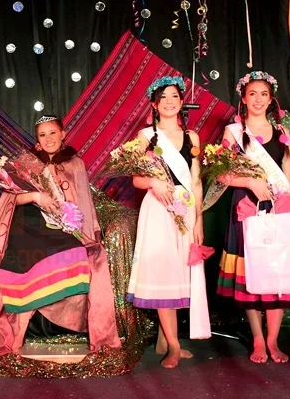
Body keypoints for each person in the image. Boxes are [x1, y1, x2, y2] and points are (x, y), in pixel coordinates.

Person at [0, 115, 121, 376]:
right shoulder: (25, 163)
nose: (49, 138)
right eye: (43, 135)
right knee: (22, 259)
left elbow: (84, 201)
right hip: (28, 224)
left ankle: (66, 326)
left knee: (76, 254)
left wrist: (88, 234)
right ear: (37, 140)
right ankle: (23, 325)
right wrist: (36, 196)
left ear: (63, 134)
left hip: (61, 225)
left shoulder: (75, 163)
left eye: (53, 133)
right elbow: (10, 201)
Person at [216, 71, 290, 364]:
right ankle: (257, 338)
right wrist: (249, 183)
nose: (258, 100)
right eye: (252, 94)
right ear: (243, 97)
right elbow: (220, 174)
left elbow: (289, 177)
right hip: (247, 209)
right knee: (252, 276)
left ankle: (273, 339)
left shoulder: (281, 131)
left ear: (271, 100)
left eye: (264, 95)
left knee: (278, 273)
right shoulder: (233, 132)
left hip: (280, 209)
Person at [126, 76, 209, 369]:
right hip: (159, 209)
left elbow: (196, 182)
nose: (170, 102)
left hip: (185, 211)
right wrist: (153, 183)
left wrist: (198, 219)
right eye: (164, 98)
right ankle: (174, 346)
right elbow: (135, 178)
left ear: (181, 101)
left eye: (175, 96)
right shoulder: (146, 136)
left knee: (178, 273)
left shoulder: (193, 137)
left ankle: (166, 338)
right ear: (154, 104)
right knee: (163, 273)